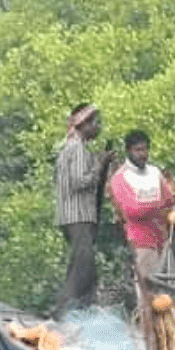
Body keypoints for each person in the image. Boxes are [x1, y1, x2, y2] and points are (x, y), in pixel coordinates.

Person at [50, 103, 115, 318]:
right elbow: (80, 182)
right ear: (83, 125)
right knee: (83, 267)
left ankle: (79, 313)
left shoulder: (72, 148)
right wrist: (100, 164)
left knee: (81, 265)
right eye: (94, 123)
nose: (97, 127)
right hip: (77, 216)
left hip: (76, 216)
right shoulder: (76, 148)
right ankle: (62, 315)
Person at [105, 129, 175, 285]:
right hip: (141, 243)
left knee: (170, 293)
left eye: (145, 149)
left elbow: (169, 200)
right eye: (138, 150)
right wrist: (158, 205)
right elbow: (133, 210)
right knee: (149, 295)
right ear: (128, 151)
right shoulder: (120, 178)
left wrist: (155, 205)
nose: (142, 154)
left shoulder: (155, 172)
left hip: (163, 241)